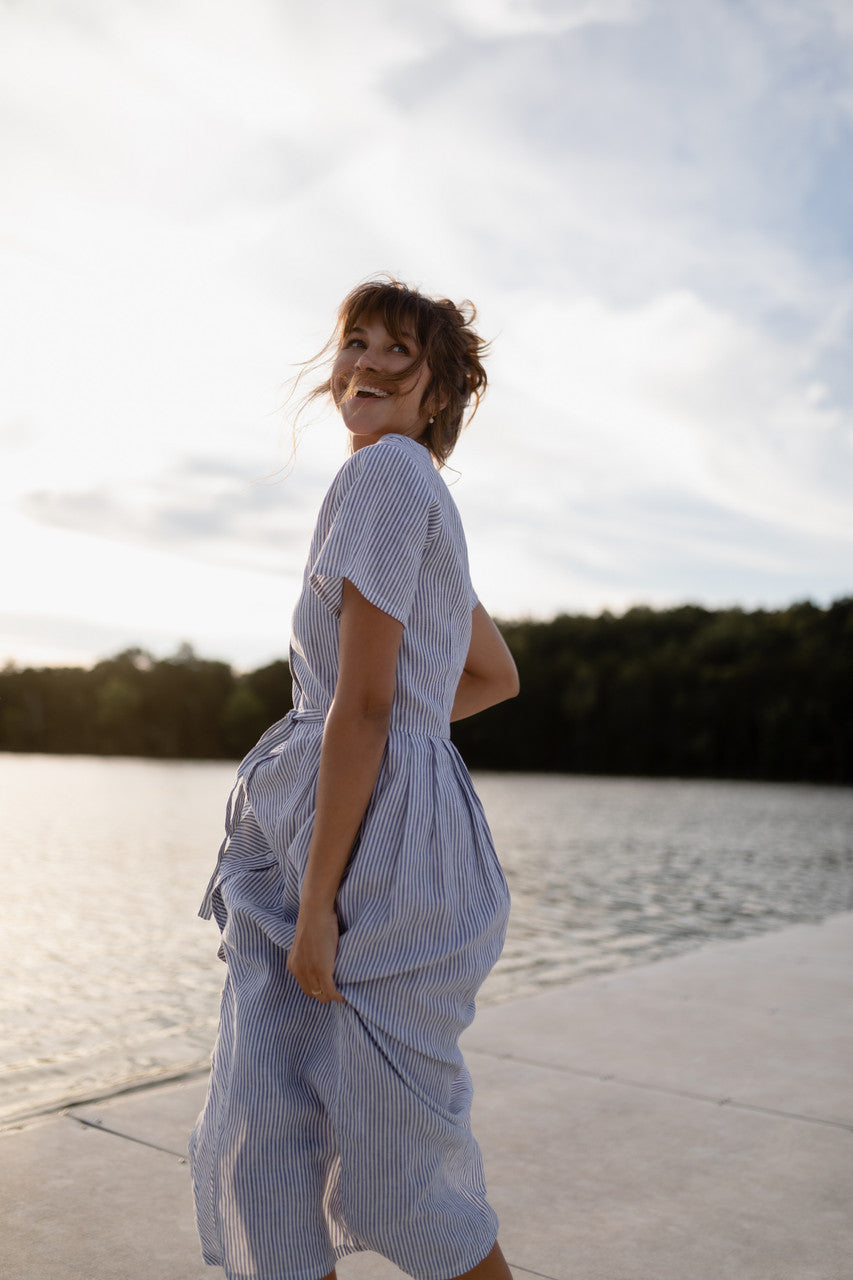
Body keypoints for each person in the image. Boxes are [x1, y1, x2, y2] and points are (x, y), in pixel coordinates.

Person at [190, 278, 520, 1280]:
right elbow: (491, 676)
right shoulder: (413, 492)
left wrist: (323, 898)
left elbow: (368, 703)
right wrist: (406, 728)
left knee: (394, 1176)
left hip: (356, 860)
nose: (368, 363)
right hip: (361, 832)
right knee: (271, 1147)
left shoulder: (385, 477)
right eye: (356, 342)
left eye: (398, 352)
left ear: (438, 393)